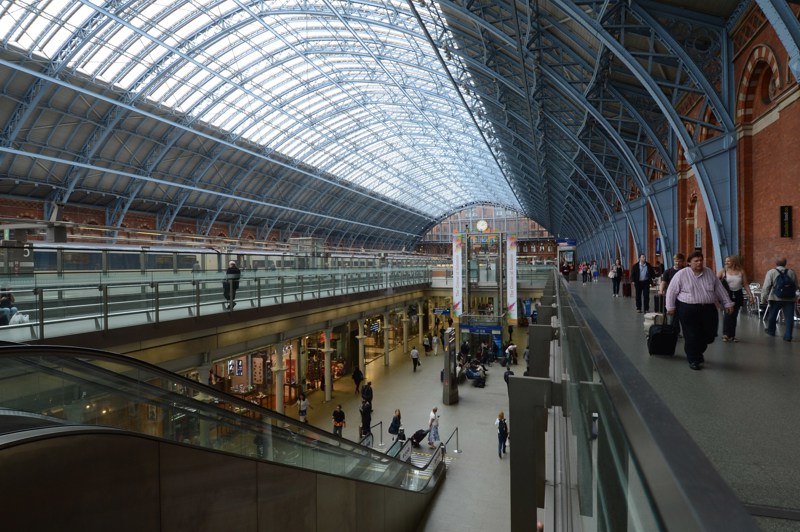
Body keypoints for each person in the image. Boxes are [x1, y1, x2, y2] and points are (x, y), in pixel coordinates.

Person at [665, 251, 734, 370]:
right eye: (696, 261)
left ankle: (697, 352)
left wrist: (728, 303)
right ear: (689, 263)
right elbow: (672, 291)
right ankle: (693, 359)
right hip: (687, 309)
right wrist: (670, 307)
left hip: (708, 309)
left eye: (701, 260)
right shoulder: (681, 274)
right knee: (691, 335)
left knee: (709, 335)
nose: (699, 262)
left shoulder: (709, 273)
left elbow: (719, 289)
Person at [718, 255, 755, 343]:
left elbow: (745, 284)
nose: (726, 263)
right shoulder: (723, 271)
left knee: (734, 315)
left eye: (728, 261)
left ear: (734, 262)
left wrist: (750, 295)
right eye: (725, 261)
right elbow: (714, 281)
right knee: (728, 314)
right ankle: (726, 334)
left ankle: (732, 335)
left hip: (738, 294)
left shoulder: (741, 272)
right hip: (727, 294)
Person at [762, 258, 798, 342]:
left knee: (772, 315)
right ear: (785, 263)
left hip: (775, 298)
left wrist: (763, 298)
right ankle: (788, 335)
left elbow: (766, 286)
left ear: (776, 263)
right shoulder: (791, 272)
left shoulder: (771, 272)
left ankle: (771, 331)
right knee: (789, 318)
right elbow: (796, 285)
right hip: (790, 298)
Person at [659, 253, 685, 334]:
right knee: (673, 316)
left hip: (683, 297)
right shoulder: (668, 271)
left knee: (683, 315)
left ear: (682, 262)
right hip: (671, 297)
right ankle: (674, 332)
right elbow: (663, 282)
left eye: (679, 261)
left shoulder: (685, 271)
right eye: (676, 261)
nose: (677, 263)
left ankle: (684, 331)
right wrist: (661, 290)